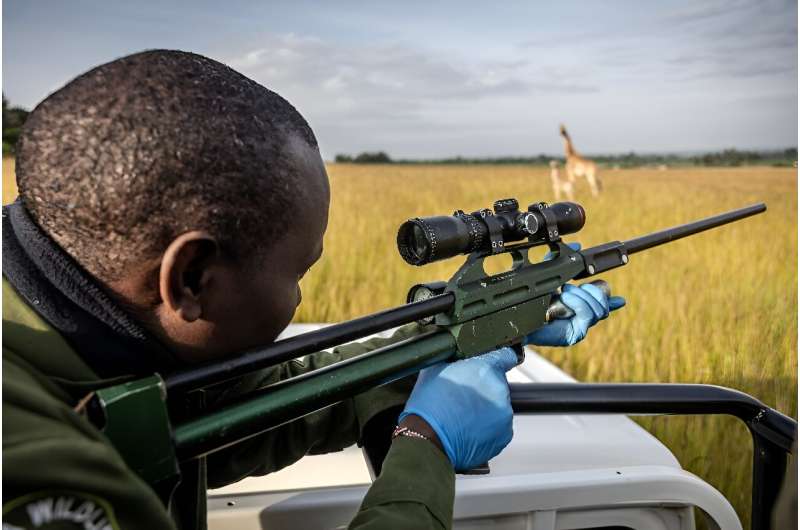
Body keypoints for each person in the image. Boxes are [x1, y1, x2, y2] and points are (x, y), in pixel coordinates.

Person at [2, 50, 624, 530]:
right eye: (297, 273)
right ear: (190, 280)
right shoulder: (32, 468)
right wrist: (424, 447)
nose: (299, 298)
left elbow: (237, 408)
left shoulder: (93, 339)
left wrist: (446, 336)